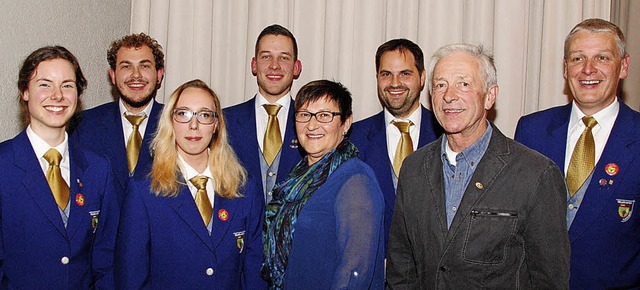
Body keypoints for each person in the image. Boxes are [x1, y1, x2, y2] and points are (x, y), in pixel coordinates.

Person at [386, 43, 570, 288]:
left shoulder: (535, 174)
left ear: (490, 96)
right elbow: (402, 267)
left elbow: (549, 280)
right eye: (440, 85)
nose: (449, 96)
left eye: (463, 84)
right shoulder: (414, 168)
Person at [515, 18, 639, 289]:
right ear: (565, 68)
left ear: (624, 67)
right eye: (577, 58)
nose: (588, 69)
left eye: (602, 57)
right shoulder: (531, 130)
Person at [115, 79, 266, 289]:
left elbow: (254, 270)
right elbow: (131, 278)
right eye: (183, 114)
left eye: (204, 115)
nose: (193, 125)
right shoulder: (144, 191)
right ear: (171, 121)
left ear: (216, 124)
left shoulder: (244, 188)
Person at [0, 46, 118, 289]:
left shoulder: (97, 168)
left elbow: (106, 257)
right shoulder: (3, 164)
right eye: (45, 85)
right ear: (24, 91)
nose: (57, 96)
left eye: (67, 85)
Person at [262, 80, 384, 289]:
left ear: (346, 124)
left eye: (325, 115)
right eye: (304, 115)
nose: (312, 125)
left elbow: (356, 270)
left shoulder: (355, 179)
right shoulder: (297, 176)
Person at [350, 38, 441, 251]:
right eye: (386, 74)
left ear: (422, 77)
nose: (394, 83)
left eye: (405, 74)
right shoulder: (353, 138)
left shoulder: (447, 135)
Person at [72, 33, 165, 204]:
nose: (135, 75)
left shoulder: (178, 125)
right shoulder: (83, 125)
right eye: (126, 66)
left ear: (159, 74)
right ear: (113, 75)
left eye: (144, 66)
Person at [224, 24, 304, 204]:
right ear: (254, 65)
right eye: (266, 56)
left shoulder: (313, 125)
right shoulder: (224, 121)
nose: (274, 66)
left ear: (296, 67)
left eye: (284, 58)